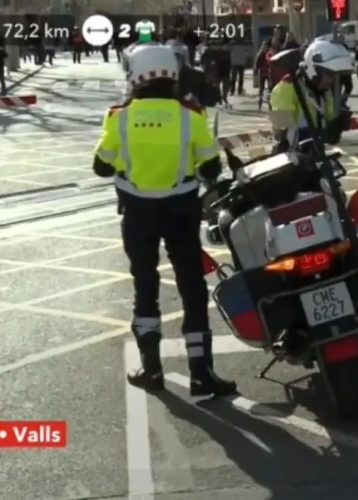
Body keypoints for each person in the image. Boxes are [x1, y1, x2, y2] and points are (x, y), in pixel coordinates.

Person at [91, 43, 237, 399]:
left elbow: (101, 167)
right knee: (191, 287)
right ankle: (201, 375)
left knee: (145, 286)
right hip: (181, 213)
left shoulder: (118, 117)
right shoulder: (190, 116)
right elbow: (211, 167)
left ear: (135, 76)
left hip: (138, 216)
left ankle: (152, 370)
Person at [269, 39, 353, 149]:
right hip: (293, 156)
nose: (332, 80)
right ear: (314, 71)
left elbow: (328, 124)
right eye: (329, 75)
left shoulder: (324, 92)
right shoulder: (286, 88)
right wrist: (312, 134)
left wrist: (337, 124)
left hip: (316, 153)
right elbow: (280, 131)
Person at [254, 39, 271, 111]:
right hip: (261, 72)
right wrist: (255, 72)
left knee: (270, 89)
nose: (264, 47)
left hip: (268, 72)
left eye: (265, 46)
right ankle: (259, 105)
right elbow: (256, 64)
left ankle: (270, 105)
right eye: (263, 46)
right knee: (261, 89)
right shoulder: (259, 54)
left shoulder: (269, 54)